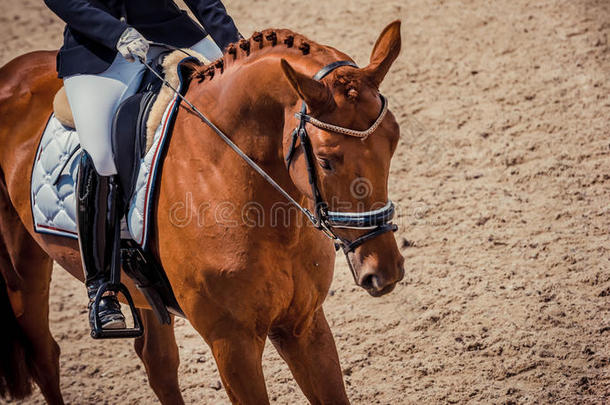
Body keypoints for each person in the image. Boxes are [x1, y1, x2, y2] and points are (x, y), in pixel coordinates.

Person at [44, 0, 240, 332]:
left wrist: (235, 46)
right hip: (99, 53)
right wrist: (115, 32)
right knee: (102, 155)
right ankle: (103, 287)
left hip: (174, 36)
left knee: (245, 103)